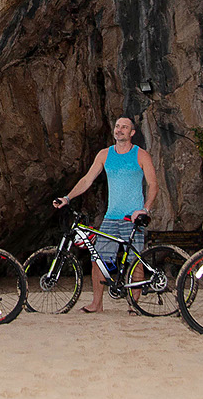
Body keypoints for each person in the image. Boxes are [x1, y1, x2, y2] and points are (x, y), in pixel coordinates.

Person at [53, 116, 157, 313]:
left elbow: (153, 184)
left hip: (132, 218)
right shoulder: (105, 154)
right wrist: (67, 198)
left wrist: (145, 209)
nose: (119, 130)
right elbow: (87, 180)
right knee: (97, 258)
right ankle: (97, 304)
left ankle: (134, 305)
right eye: (117, 126)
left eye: (124, 127)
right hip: (111, 217)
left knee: (135, 261)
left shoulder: (141, 155)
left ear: (132, 133)